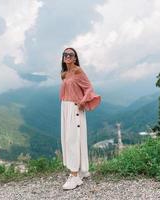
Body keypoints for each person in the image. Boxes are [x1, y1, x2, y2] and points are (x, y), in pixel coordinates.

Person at [59, 47, 101, 190]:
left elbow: (89, 87)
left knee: (73, 139)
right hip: (65, 108)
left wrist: (83, 100)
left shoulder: (78, 71)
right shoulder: (64, 74)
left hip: (75, 108)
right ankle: (82, 170)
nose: (67, 56)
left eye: (70, 54)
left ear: (75, 58)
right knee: (69, 139)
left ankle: (75, 176)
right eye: (65, 54)